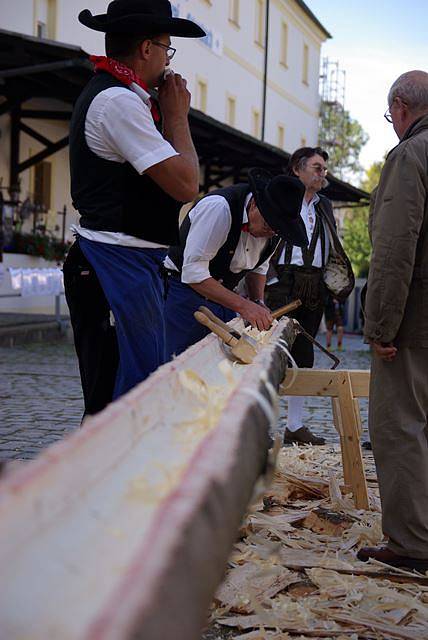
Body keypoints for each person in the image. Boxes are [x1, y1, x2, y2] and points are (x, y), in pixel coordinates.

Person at [64, 0, 205, 411]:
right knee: (118, 406)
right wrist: (178, 117)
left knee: (135, 394)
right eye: (166, 48)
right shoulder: (118, 103)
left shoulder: (129, 98)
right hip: (112, 262)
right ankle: (96, 476)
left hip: (131, 262)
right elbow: (186, 184)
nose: (167, 59)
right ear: (147, 49)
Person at [357, 70, 428, 572]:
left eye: (390, 115)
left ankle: (412, 544)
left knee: (399, 426)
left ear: (402, 107)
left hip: (416, 321)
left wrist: (381, 323)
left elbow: (395, 248)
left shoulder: (411, 155)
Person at [164, 168, 309, 358]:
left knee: (223, 360)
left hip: (225, 298)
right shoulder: (219, 208)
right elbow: (193, 274)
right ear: (255, 204)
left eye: (277, 229)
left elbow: (259, 267)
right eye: (268, 225)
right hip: (184, 294)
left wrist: (257, 301)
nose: (271, 232)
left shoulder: (273, 230)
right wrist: (245, 306)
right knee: (177, 360)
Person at [265, 147, 353, 446]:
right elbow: (264, 238)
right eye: (317, 167)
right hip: (282, 284)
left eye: (324, 169)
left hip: (313, 285)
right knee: (272, 353)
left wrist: (330, 283)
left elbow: (330, 245)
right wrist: (272, 281)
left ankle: (295, 425)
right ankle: (262, 426)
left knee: (304, 353)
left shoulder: (324, 205)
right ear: (297, 170)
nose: (322, 173)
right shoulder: (278, 196)